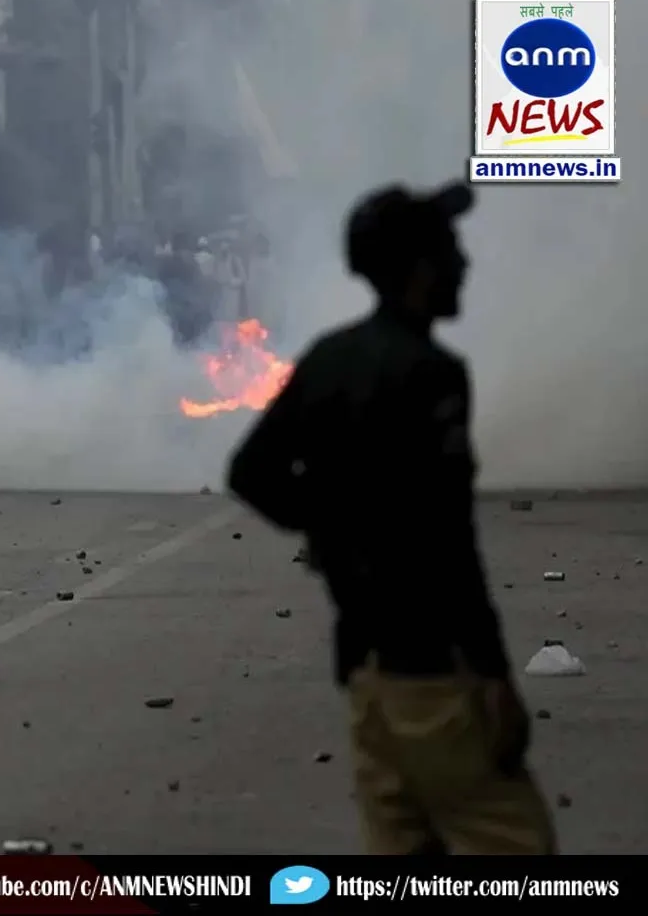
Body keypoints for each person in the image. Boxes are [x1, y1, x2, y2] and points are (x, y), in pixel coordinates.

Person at [225, 181, 555, 855]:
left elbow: (252, 472)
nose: (464, 263)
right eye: (450, 249)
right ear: (420, 268)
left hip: (365, 674)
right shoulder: (431, 373)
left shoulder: (329, 358)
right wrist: (493, 674)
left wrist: (330, 526)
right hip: (433, 676)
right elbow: (449, 541)